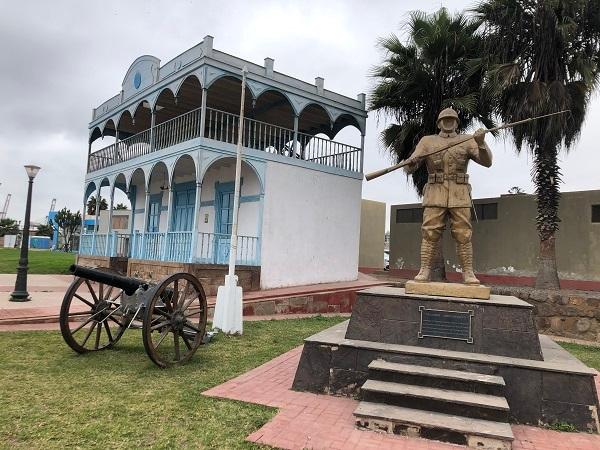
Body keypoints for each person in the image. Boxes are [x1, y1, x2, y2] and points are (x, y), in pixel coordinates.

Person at [405, 107, 492, 284]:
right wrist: (411, 163)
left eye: (452, 119)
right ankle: (424, 271)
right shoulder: (427, 141)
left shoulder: (468, 140)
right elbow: (409, 167)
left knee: (463, 233)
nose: (448, 121)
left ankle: (468, 273)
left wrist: (481, 143)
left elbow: (487, 162)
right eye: (445, 119)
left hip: (459, 192)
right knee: (429, 232)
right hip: (435, 191)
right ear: (438, 122)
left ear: (457, 122)